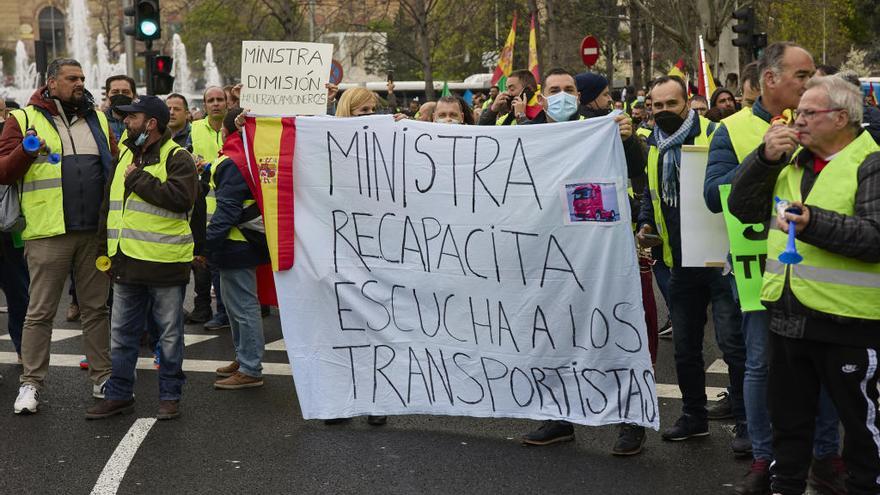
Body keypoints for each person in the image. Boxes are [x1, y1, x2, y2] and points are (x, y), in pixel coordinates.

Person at [727, 74, 880, 495]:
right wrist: (763, 159)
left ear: (842, 118)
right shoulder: (791, 161)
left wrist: (813, 222)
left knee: (863, 430)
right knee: (789, 428)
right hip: (789, 319)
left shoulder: (871, 162)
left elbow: (875, 238)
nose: (799, 122)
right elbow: (741, 207)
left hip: (849, 323)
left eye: (809, 113)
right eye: (798, 113)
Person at [704, 42, 844, 495]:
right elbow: (715, 196)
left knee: (822, 368)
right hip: (760, 271)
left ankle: (825, 458)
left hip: (820, 275)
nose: (811, 80)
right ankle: (765, 458)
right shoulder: (732, 129)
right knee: (762, 366)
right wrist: (761, 158)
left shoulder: (828, 121)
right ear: (770, 79)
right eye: (802, 75)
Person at [520, 68, 649, 456]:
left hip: (598, 252)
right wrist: (404, 131)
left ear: (579, 97)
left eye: (569, 90)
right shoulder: (523, 134)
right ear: (541, 99)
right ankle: (560, 419)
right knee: (556, 334)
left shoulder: (603, 130)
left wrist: (626, 141)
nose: (562, 96)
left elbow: (637, 171)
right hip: (547, 255)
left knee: (614, 329)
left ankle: (632, 420)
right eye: (554, 90)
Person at [631, 76, 747, 453]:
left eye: (671, 104)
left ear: (687, 103)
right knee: (685, 349)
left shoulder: (715, 133)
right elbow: (651, 194)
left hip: (719, 261)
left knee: (733, 345)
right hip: (677, 262)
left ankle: (747, 422)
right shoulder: (652, 145)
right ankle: (694, 416)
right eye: (657, 105)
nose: (663, 111)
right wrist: (646, 223)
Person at [0, 59, 117, 414]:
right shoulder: (22, 120)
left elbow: (112, 163)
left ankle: (103, 378)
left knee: (96, 310)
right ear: (51, 82)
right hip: (48, 231)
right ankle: (31, 384)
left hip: (92, 234)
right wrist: (27, 150)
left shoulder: (96, 118)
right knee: (39, 313)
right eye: (72, 78)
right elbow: (4, 171)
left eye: (82, 77)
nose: (80, 83)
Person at [86, 95, 198, 420]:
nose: (125, 123)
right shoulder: (124, 156)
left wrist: (137, 178)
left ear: (150, 123)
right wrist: (103, 251)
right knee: (121, 335)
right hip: (125, 263)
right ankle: (119, 395)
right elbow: (109, 208)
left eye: (132, 118)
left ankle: (170, 396)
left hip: (164, 264)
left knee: (170, 335)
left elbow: (180, 199)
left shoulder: (177, 157)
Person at [206, 107, 270, 390]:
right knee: (235, 307)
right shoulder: (241, 155)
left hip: (235, 244)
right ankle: (243, 357)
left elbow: (229, 209)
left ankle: (250, 368)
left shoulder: (231, 160)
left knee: (242, 307)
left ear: (225, 131)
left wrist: (207, 243)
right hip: (236, 242)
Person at [191, 86, 229, 330]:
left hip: (231, 205)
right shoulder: (194, 129)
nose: (215, 104)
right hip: (205, 209)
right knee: (213, 264)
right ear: (205, 105)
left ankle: (228, 312)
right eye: (211, 100)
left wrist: (209, 166)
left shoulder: (236, 128)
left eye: (220, 99)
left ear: (227, 102)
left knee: (232, 266)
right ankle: (221, 313)